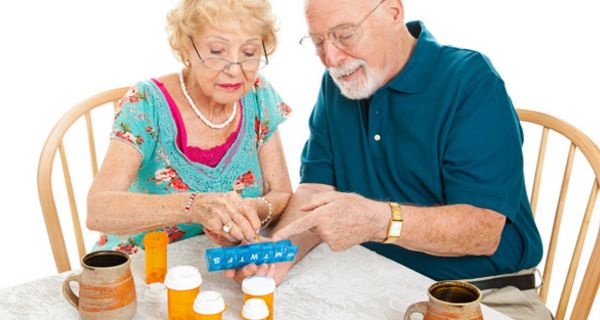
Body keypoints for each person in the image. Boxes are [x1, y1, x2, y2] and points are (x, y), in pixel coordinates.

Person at [266, 0, 550, 319]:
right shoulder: (337, 84)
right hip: (378, 278)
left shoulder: (470, 80)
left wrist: (378, 221)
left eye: (344, 34)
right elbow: (316, 191)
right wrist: (275, 253)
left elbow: (482, 231)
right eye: (317, 42)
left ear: (394, 12)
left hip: (482, 294)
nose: (330, 58)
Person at [87, 0, 292, 254]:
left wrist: (252, 211)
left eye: (249, 53)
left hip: (213, 266)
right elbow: (98, 209)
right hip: (143, 269)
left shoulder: (259, 95)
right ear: (186, 48)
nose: (235, 70)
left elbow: (281, 192)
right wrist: (194, 206)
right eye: (217, 51)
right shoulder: (145, 103)